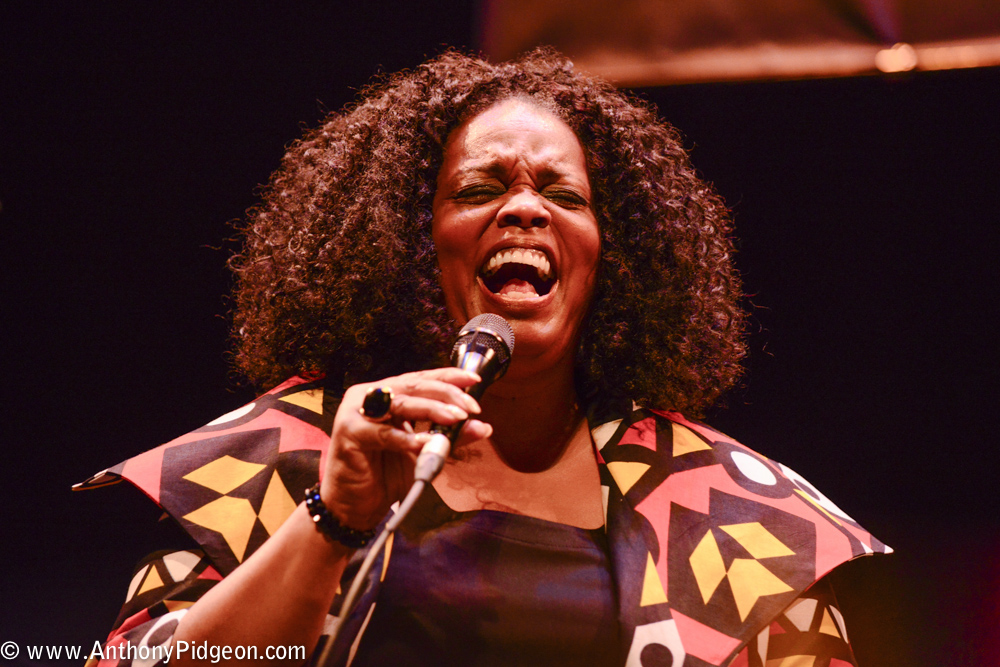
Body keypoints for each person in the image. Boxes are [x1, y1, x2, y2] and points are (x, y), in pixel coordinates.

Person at [80, 48, 888, 667]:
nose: (526, 207)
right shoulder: (286, 453)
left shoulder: (726, 509)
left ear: (615, 257)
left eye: (565, 195)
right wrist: (331, 518)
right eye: (479, 189)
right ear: (410, 242)